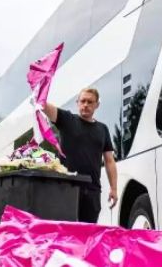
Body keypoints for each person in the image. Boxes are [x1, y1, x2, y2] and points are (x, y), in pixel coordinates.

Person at [42, 87, 117, 223]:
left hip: (92, 191)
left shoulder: (103, 129)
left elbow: (109, 161)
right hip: (66, 189)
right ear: (77, 103)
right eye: (83, 101)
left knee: (88, 236)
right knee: (66, 234)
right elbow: (44, 106)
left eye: (90, 102)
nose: (86, 105)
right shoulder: (67, 120)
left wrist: (114, 188)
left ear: (97, 105)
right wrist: (40, 91)